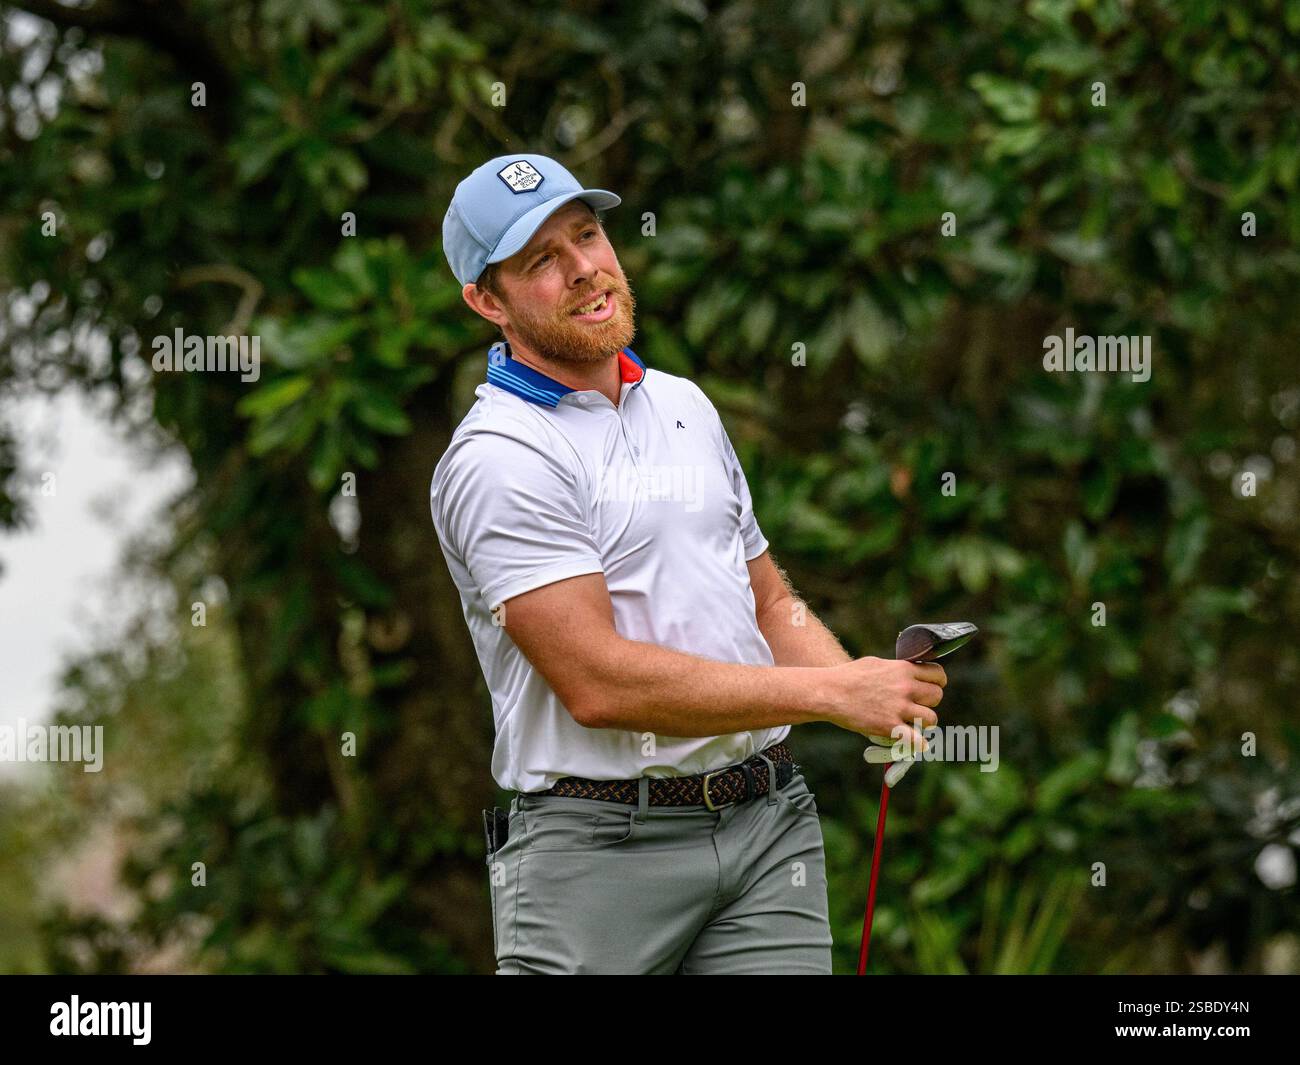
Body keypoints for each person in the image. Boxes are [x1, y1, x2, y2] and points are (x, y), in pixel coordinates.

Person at [430, 153, 947, 974]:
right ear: (486, 301)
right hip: (597, 849)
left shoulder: (682, 405)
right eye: (540, 261)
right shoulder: (500, 457)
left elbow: (769, 603)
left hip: (766, 823)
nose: (583, 270)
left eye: (588, 236)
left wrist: (866, 689)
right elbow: (599, 683)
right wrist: (831, 695)